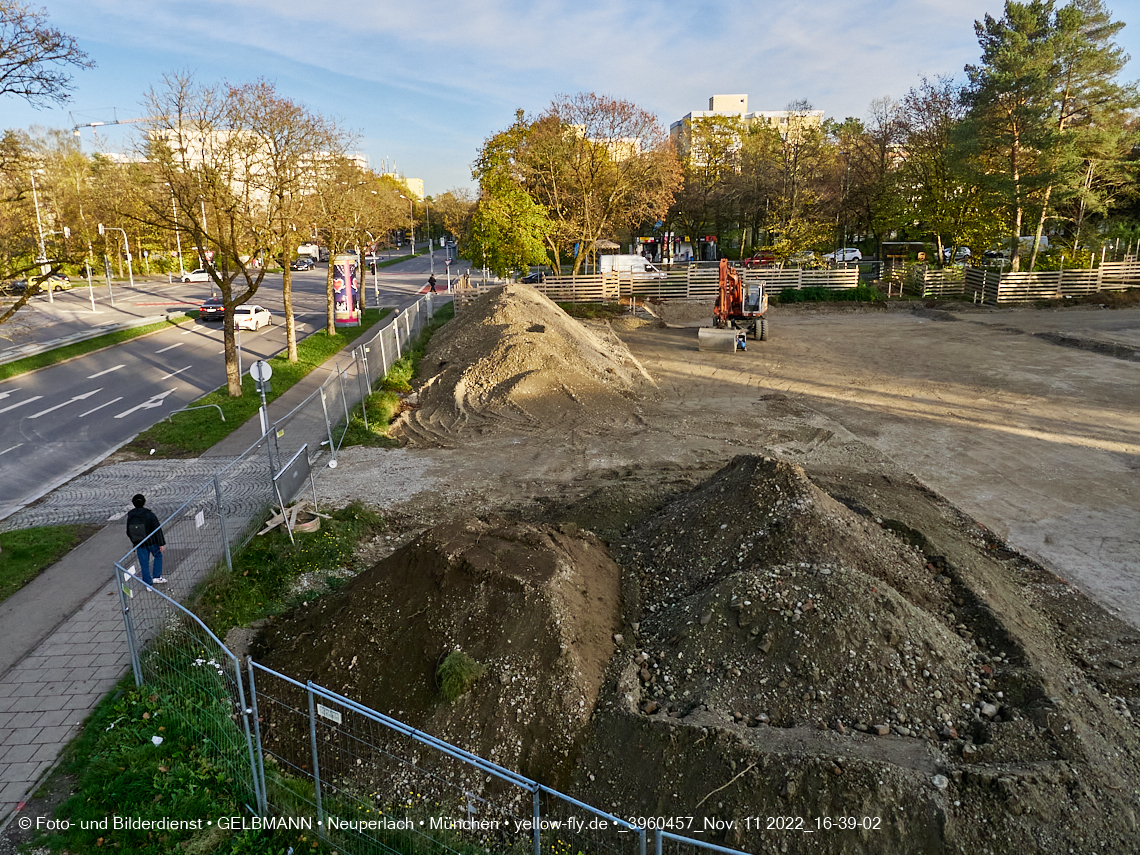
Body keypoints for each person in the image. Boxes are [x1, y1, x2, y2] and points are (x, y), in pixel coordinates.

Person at [126, 494, 166, 586]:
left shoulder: (131, 516)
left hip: (139, 543)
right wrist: (161, 543)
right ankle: (156, 576)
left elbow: (128, 531)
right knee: (158, 556)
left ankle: (148, 583)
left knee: (144, 563)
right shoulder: (149, 514)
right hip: (152, 542)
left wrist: (134, 541)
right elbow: (157, 529)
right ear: (144, 503)